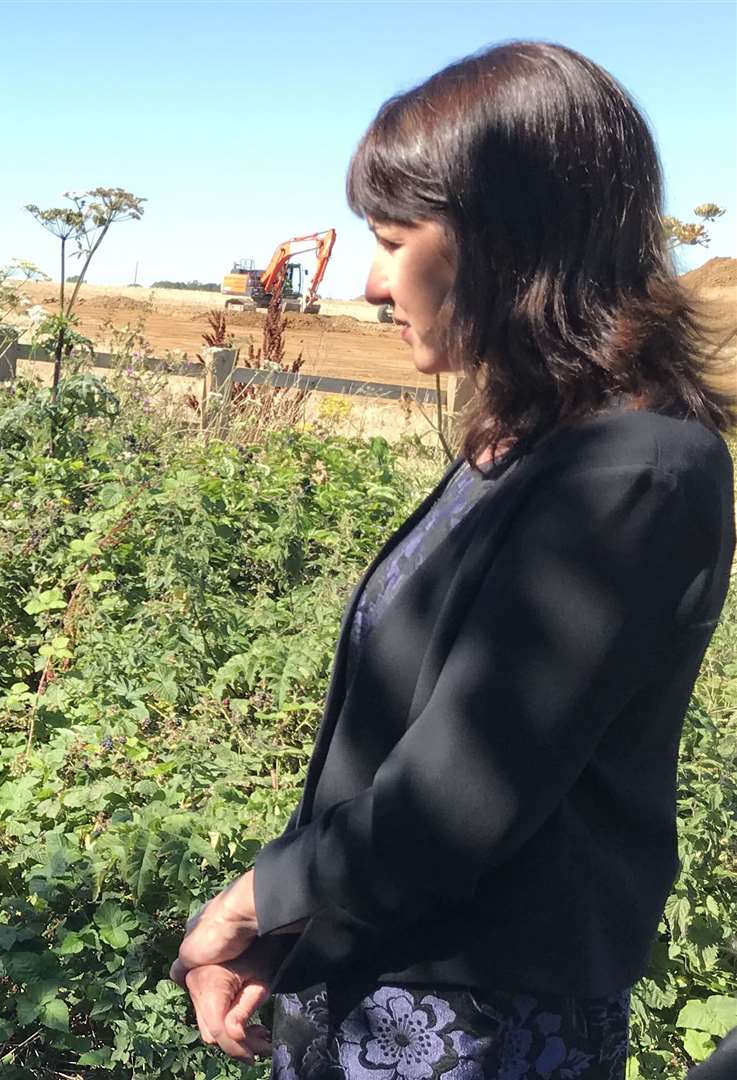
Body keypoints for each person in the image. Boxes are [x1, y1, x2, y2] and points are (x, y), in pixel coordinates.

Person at [170, 41, 736, 1079]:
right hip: (375, 992)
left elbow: (455, 798)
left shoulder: (634, 470)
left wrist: (250, 901)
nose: (375, 284)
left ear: (508, 242)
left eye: (391, 240)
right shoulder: (521, 447)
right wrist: (288, 927)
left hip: (472, 1034)